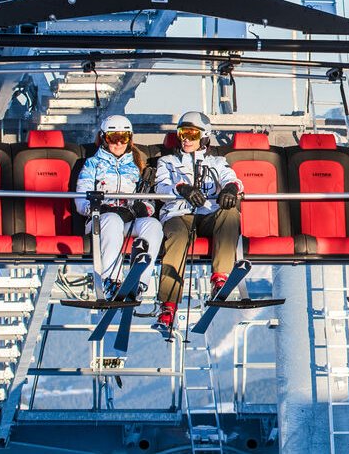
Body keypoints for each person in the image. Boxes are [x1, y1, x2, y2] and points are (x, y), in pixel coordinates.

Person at [152, 111, 244, 334]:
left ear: (204, 136)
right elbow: (160, 188)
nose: (186, 139)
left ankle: (220, 278)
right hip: (178, 215)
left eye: (192, 134)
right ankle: (168, 305)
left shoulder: (217, 162)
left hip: (207, 213)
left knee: (231, 215)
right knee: (178, 237)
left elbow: (231, 178)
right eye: (183, 133)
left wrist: (231, 188)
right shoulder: (168, 162)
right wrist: (181, 189)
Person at [73, 115, 163, 301]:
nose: (119, 143)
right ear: (104, 138)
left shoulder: (137, 165)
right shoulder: (92, 164)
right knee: (113, 220)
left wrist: (141, 209)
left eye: (124, 138)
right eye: (113, 138)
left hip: (128, 220)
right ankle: (111, 280)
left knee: (153, 225)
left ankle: (141, 280)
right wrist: (100, 209)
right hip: (100, 223)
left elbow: (149, 201)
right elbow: (81, 201)